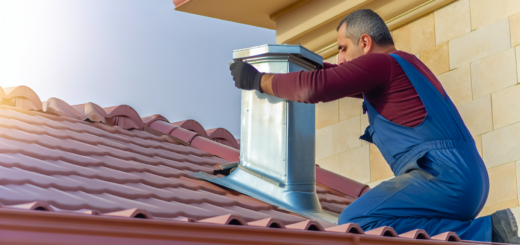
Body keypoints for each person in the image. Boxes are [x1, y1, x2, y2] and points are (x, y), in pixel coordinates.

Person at [229, 9, 520, 243]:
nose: (339, 58)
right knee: (402, 226)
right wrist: (303, 62)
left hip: (444, 178)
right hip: (469, 180)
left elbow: (318, 88)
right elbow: (337, 77)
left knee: (357, 222)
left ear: (365, 43)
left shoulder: (380, 64)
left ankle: (489, 232)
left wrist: (259, 81)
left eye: (342, 48)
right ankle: (482, 234)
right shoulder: (405, 66)